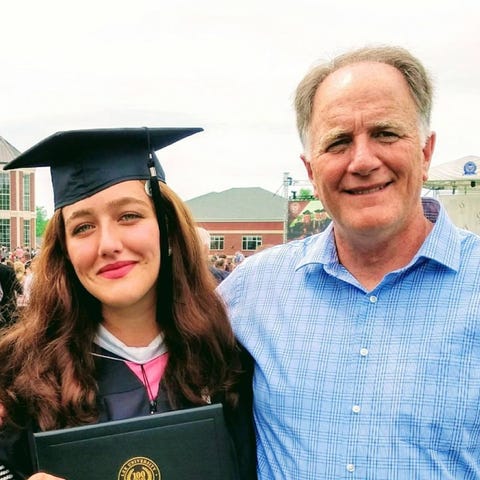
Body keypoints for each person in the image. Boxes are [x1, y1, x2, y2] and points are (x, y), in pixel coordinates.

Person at [218, 45, 480, 479]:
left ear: (426, 151)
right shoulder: (252, 291)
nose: (362, 161)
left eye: (386, 133)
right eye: (338, 142)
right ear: (310, 170)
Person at [0, 127, 255, 479]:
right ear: (66, 251)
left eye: (128, 216)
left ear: (166, 229)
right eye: (83, 227)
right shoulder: (18, 377)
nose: (108, 244)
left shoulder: (229, 360)